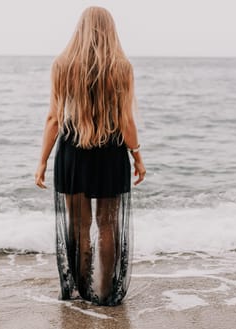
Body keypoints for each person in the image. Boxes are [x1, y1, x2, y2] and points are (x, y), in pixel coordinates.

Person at [34, 6, 146, 306]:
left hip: (73, 152)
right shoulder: (121, 67)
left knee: (79, 225)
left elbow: (53, 119)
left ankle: (82, 291)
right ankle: (107, 291)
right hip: (110, 153)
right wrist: (137, 155)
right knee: (108, 224)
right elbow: (126, 121)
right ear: (111, 30)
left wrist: (43, 160)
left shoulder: (62, 65)